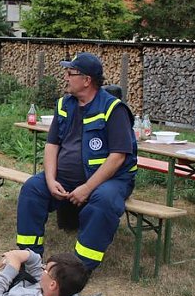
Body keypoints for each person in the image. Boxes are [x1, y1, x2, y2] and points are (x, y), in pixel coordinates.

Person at [15, 52, 137, 272]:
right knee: (33, 188)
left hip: (108, 181)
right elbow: (52, 145)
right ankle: (29, 258)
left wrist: (88, 188)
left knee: (104, 201)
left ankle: (79, 268)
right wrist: (51, 180)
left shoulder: (113, 109)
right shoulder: (64, 104)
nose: (65, 78)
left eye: (70, 73)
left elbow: (118, 156)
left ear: (87, 80)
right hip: (65, 178)